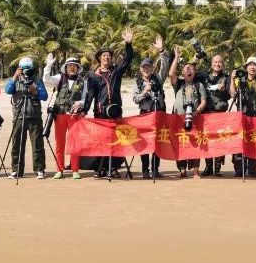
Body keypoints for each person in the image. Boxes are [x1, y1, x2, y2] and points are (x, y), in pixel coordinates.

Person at [83, 28, 134, 177]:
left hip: (115, 111)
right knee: (101, 140)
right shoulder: (93, 76)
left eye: (109, 56)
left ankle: (113, 167)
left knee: (116, 139)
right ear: (99, 58)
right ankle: (102, 167)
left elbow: (127, 59)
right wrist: (84, 110)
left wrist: (128, 44)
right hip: (100, 113)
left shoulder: (116, 72)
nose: (107, 57)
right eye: (104, 55)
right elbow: (90, 95)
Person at [231, 33, 256, 177]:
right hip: (242, 115)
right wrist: (232, 79)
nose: (252, 67)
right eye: (250, 65)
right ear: (246, 67)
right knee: (240, 142)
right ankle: (239, 168)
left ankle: (252, 169)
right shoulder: (240, 80)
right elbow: (232, 93)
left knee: (254, 141)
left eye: (255, 65)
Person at [131, 37, 171, 179]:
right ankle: (145, 170)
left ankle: (155, 169)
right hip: (144, 115)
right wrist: (144, 92)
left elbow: (165, 66)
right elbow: (135, 99)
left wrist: (161, 51)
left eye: (148, 67)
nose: (146, 69)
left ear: (152, 68)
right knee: (144, 142)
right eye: (144, 68)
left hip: (158, 113)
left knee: (157, 142)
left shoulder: (158, 79)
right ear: (140, 69)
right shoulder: (137, 83)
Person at [168, 49, 209, 178]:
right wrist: (176, 57)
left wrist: (198, 110)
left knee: (195, 143)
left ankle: (196, 171)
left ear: (195, 72)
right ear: (182, 72)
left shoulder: (198, 85)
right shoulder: (178, 83)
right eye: (186, 68)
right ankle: (182, 169)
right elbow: (171, 73)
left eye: (191, 68)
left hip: (195, 118)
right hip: (178, 119)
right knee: (179, 143)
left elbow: (204, 101)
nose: (189, 70)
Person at [45, 52, 87, 179]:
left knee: (75, 143)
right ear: (66, 67)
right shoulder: (60, 78)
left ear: (78, 68)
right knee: (60, 143)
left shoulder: (83, 81)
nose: (72, 67)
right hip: (60, 114)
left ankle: (75, 170)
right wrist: (48, 65)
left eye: (74, 65)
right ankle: (59, 169)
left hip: (74, 116)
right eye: (70, 65)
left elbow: (84, 98)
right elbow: (46, 79)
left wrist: (80, 103)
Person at [5, 57, 48, 179]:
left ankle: (39, 170)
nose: (26, 71)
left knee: (37, 144)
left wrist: (35, 91)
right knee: (17, 144)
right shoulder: (15, 79)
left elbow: (44, 96)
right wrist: (15, 76)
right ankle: (16, 170)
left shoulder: (37, 80)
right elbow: (8, 90)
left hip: (34, 115)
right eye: (24, 69)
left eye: (28, 69)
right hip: (19, 115)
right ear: (19, 69)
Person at [200, 52, 232, 176]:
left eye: (220, 62)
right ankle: (208, 167)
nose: (217, 64)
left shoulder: (227, 78)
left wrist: (224, 89)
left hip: (220, 114)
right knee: (207, 140)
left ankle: (217, 168)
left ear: (223, 64)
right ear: (211, 63)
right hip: (207, 113)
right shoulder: (204, 76)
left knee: (219, 140)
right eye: (215, 62)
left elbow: (230, 94)